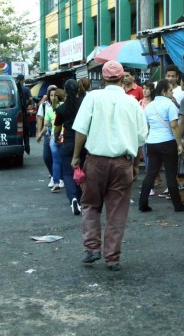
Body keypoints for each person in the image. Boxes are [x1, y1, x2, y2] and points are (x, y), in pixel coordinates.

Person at [71, 60, 148, 271]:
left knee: (90, 204)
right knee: (117, 212)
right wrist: (135, 165)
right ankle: (112, 258)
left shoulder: (93, 97)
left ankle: (92, 248)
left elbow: (81, 130)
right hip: (123, 162)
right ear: (123, 78)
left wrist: (76, 156)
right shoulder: (132, 102)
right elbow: (141, 138)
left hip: (95, 161)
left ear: (103, 78)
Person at [137, 80, 184, 213]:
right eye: (170, 90)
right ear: (164, 91)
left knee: (150, 173)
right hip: (168, 142)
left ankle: (143, 203)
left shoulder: (149, 106)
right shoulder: (170, 105)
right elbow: (174, 126)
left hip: (152, 143)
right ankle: (178, 205)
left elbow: (146, 126)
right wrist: (179, 144)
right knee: (171, 175)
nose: (172, 92)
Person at [54, 80, 87, 215]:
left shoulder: (61, 109)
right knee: (83, 170)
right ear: (78, 89)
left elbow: (57, 128)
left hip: (67, 142)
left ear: (65, 91)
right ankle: (80, 197)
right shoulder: (84, 105)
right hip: (84, 142)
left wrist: (56, 139)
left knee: (68, 173)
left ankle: (73, 197)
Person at [37, 85, 58, 188]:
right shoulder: (45, 106)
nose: (53, 97)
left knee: (57, 158)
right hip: (48, 135)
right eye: (51, 95)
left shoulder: (60, 105)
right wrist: (39, 133)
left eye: (55, 95)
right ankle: (53, 175)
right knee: (47, 157)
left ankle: (57, 178)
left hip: (58, 135)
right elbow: (40, 119)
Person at [45, 88, 65, 193]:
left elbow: (46, 124)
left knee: (56, 161)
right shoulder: (66, 107)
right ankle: (67, 180)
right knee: (67, 160)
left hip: (54, 137)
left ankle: (56, 182)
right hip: (64, 136)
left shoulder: (50, 110)